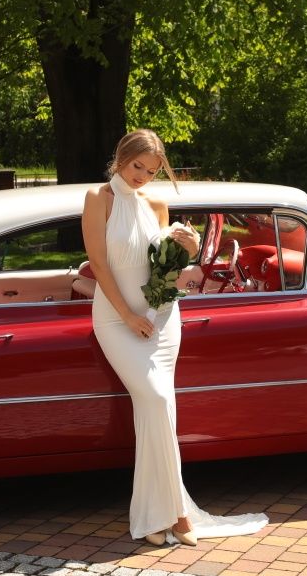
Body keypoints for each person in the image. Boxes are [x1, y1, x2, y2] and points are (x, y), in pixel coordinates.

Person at [81, 129, 269, 547]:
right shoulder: (99, 199)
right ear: (121, 158)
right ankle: (177, 514)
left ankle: (163, 516)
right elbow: (97, 262)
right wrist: (128, 315)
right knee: (158, 401)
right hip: (116, 319)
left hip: (163, 319)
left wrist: (187, 246)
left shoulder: (158, 204)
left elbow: (162, 269)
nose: (142, 177)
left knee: (160, 411)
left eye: (150, 171)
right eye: (136, 167)